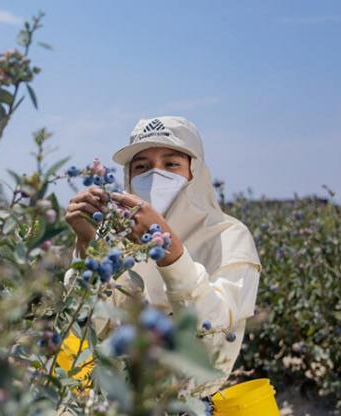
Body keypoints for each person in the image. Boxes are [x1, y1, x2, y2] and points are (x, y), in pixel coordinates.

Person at [64, 116, 262, 398]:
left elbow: (213, 345)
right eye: (142, 167)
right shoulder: (116, 238)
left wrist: (172, 255)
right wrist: (87, 247)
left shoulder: (229, 236)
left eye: (171, 164)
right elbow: (86, 327)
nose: (155, 176)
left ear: (195, 172)